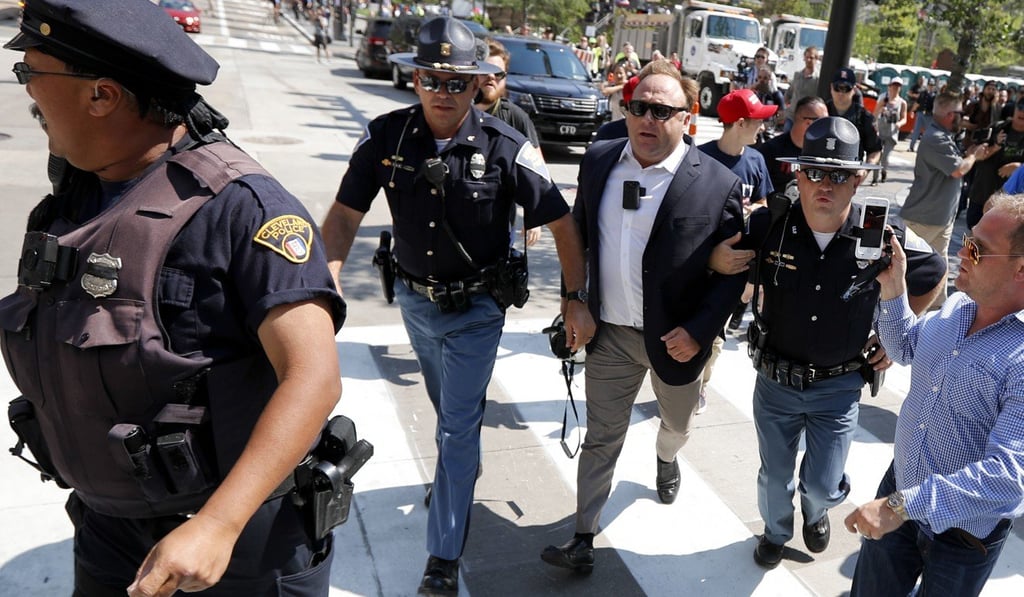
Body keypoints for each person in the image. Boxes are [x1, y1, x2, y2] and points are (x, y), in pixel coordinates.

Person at [1, 1, 347, 595]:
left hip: (234, 543)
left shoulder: (242, 208)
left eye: (32, 73)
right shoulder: (77, 194)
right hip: (109, 525)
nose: (27, 92)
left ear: (102, 95)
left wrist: (218, 524)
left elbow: (313, 376)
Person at [320, 17, 594, 595]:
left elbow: (562, 223)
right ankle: (460, 471)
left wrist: (574, 300)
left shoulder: (508, 147)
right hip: (416, 305)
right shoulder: (384, 138)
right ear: (415, 79)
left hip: (477, 309)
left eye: (457, 83)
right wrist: (328, 280)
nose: (444, 93)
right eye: (433, 80)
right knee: (446, 406)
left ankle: (441, 558)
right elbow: (345, 214)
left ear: (479, 85)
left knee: (457, 428)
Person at [539, 60, 747, 574]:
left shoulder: (717, 183)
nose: (646, 119)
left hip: (677, 341)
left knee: (676, 423)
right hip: (609, 334)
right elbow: (578, 240)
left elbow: (735, 271)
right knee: (601, 437)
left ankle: (667, 455)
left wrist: (699, 332)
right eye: (638, 107)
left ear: (688, 118)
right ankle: (583, 536)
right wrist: (573, 300)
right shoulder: (599, 160)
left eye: (661, 110)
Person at [710, 117, 946, 570]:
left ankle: (817, 510)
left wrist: (895, 332)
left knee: (821, 485)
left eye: (838, 174)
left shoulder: (882, 231)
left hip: (838, 386)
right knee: (773, 475)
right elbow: (715, 254)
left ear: (857, 180)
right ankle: (775, 532)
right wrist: (717, 259)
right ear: (796, 173)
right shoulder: (769, 222)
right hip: (775, 380)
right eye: (814, 172)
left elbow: (933, 270)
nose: (825, 184)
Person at [844, 191, 1024, 597]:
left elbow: (1009, 475)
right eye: (968, 238)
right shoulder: (958, 307)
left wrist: (899, 506)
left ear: (1021, 269)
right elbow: (905, 346)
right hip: (902, 491)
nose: (963, 250)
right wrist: (893, 287)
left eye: (978, 248)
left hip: (963, 533)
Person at [696, 89, 776, 411]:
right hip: (700, 261)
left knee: (714, 331)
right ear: (740, 123)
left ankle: (700, 383)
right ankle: (682, 383)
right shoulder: (700, 157)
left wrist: (752, 209)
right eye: (757, 121)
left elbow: (764, 201)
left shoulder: (756, 160)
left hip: (738, 264)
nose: (762, 127)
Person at [901, 93, 988, 310]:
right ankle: (898, 316)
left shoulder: (943, 135)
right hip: (924, 217)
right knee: (910, 269)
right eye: (961, 113)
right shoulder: (935, 138)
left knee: (939, 267)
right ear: (950, 115)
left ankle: (938, 313)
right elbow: (958, 170)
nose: (964, 117)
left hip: (940, 217)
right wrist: (974, 156)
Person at [475, 37, 543, 247]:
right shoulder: (457, 112)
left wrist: (535, 216)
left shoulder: (515, 117)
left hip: (498, 225)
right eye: (485, 70)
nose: (491, 77)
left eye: (499, 74)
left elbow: (537, 171)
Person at [965, 99, 1024, 228]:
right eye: (1020, 107)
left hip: (1010, 205)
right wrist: (995, 146)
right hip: (982, 193)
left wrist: (1018, 167)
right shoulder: (997, 128)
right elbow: (975, 155)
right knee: (973, 237)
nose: (1022, 112)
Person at [755, 96, 829, 194]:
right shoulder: (771, 150)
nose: (828, 127)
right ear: (808, 123)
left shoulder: (825, 152)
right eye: (824, 122)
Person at [826, 67, 882, 169]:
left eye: (846, 88)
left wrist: (865, 170)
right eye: (837, 87)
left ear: (854, 89)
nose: (841, 93)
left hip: (850, 173)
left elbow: (875, 150)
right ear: (831, 87)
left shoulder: (864, 117)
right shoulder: (822, 113)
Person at [872, 79, 908, 185]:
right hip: (880, 132)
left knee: (885, 157)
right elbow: (874, 114)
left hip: (892, 134)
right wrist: (881, 109)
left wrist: (899, 124)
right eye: (894, 86)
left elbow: (904, 118)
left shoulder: (902, 102)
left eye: (898, 86)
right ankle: (875, 179)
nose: (895, 88)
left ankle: (884, 172)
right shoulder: (883, 99)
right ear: (889, 87)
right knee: (877, 156)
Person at [783, 46, 819, 132]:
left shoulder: (818, 79)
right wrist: (786, 104)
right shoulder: (797, 75)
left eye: (811, 58)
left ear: (816, 59)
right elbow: (789, 92)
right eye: (807, 57)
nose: (808, 60)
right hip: (792, 115)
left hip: (807, 118)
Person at [907, 78, 936, 152]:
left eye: (932, 85)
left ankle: (926, 148)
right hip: (920, 113)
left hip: (929, 115)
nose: (931, 86)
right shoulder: (923, 93)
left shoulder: (935, 95)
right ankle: (911, 146)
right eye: (930, 85)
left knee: (928, 132)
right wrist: (912, 111)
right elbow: (917, 102)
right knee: (916, 130)